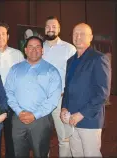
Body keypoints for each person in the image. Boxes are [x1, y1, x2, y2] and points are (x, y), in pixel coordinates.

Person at [5, 36, 62, 157]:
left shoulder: (52, 71)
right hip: (18, 118)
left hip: (41, 120)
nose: (34, 50)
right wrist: (19, 112)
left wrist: (34, 115)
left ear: (42, 50)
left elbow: (53, 99)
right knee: (18, 153)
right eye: (30, 47)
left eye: (37, 47)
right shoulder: (15, 69)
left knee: (40, 153)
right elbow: (8, 92)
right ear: (25, 50)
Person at [60, 23, 111, 157]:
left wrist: (81, 114)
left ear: (91, 37)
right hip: (71, 119)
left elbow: (102, 93)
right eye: (75, 33)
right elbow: (68, 88)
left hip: (89, 119)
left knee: (91, 154)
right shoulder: (70, 61)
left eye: (82, 34)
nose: (78, 37)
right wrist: (64, 107)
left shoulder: (98, 58)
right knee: (76, 153)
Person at [42, 16, 76, 157]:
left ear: (59, 29)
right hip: (41, 101)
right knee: (42, 138)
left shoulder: (69, 49)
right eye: (48, 26)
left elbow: (75, 76)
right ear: (44, 29)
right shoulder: (37, 47)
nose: (51, 29)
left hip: (60, 100)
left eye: (54, 26)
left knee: (64, 138)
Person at [0, 22, 24, 158]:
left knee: (12, 137)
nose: (0, 37)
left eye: (3, 34)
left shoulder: (18, 54)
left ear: (8, 36)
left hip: (12, 101)